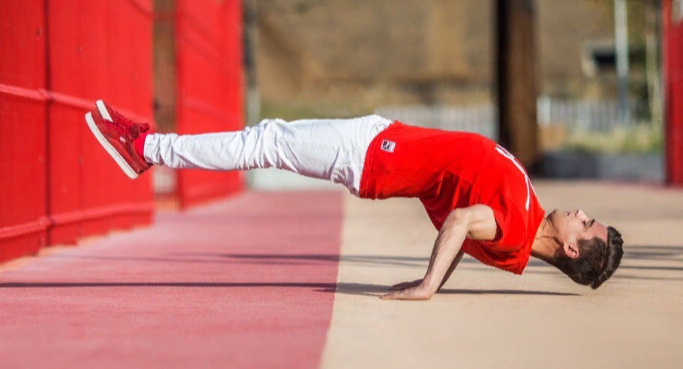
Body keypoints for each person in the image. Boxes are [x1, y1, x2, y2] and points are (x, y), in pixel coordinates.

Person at [85, 100, 624, 301]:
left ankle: (146, 148)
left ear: (574, 249)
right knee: (267, 140)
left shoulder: (513, 229)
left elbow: (462, 221)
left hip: (374, 157)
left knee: (265, 141)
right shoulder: (522, 223)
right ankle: (150, 146)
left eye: (588, 223)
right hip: (378, 144)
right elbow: (462, 227)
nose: (581, 213)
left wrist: (427, 287)